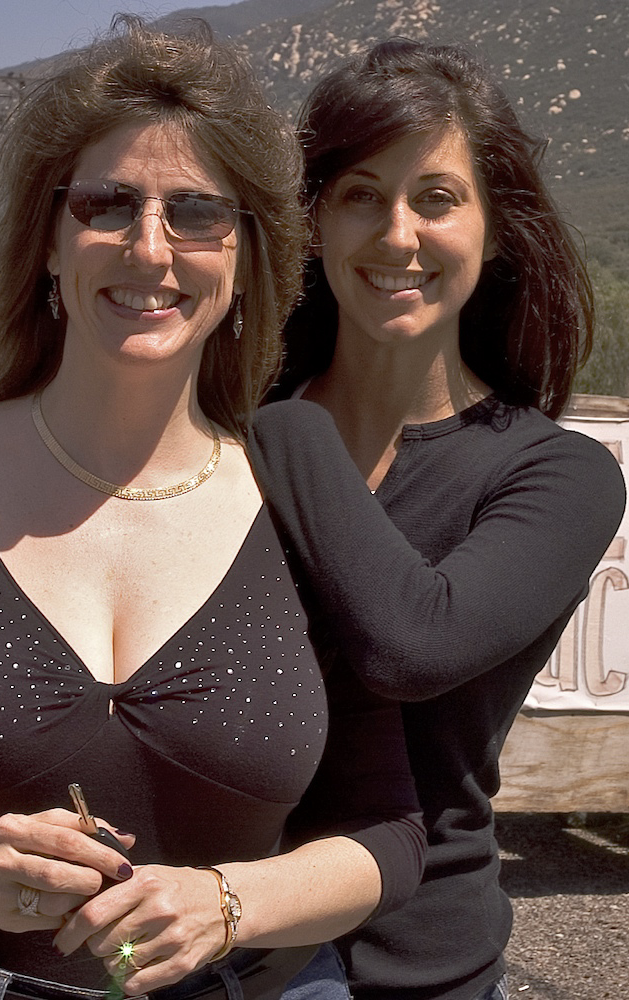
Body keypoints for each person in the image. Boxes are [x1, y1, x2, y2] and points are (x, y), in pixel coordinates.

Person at [0, 19, 426, 1000]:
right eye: (107, 204)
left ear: (245, 255)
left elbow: (390, 833)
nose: (149, 248)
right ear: (49, 240)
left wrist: (227, 902)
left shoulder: (304, 502)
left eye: (196, 213)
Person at [249, 38, 626, 1000]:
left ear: (495, 231)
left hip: (415, 969)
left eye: (437, 198)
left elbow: (409, 648)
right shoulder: (216, 440)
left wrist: (281, 419)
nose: (397, 234)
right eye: (361, 194)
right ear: (314, 222)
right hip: (205, 948)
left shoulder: (555, 475)